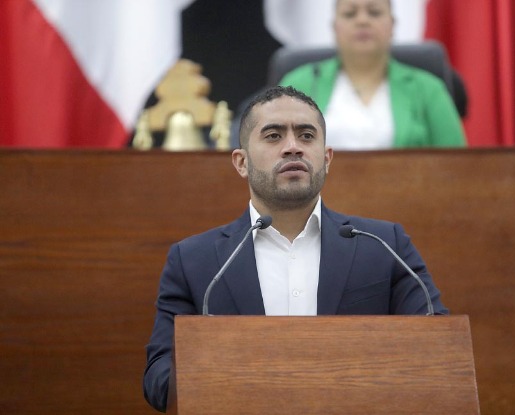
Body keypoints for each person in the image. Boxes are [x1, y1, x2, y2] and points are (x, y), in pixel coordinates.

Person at [143, 85, 448, 412]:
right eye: (273, 136)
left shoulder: (384, 245)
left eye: (306, 136)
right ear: (241, 162)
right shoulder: (195, 261)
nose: (292, 147)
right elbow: (159, 378)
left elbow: (439, 351)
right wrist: (226, 375)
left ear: (326, 158)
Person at [279, 0, 466, 150]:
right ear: (335, 27)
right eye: (350, 13)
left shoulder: (428, 89)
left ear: (392, 25)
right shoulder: (297, 85)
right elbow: (272, 155)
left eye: (374, 12)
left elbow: (458, 165)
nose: (362, 21)